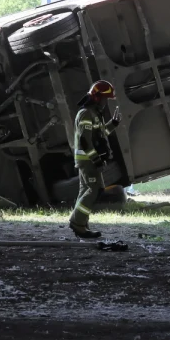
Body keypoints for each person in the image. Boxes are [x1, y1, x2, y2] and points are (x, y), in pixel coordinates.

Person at [68, 80, 120, 239]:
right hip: (88, 160)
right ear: (97, 98)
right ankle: (77, 222)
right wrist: (96, 160)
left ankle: (80, 223)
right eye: (105, 99)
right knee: (95, 190)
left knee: (85, 191)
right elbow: (85, 141)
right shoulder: (86, 114)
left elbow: (101, 133)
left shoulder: (93, 114)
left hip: (89, 159)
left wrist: (114, 124)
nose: (106, 103)